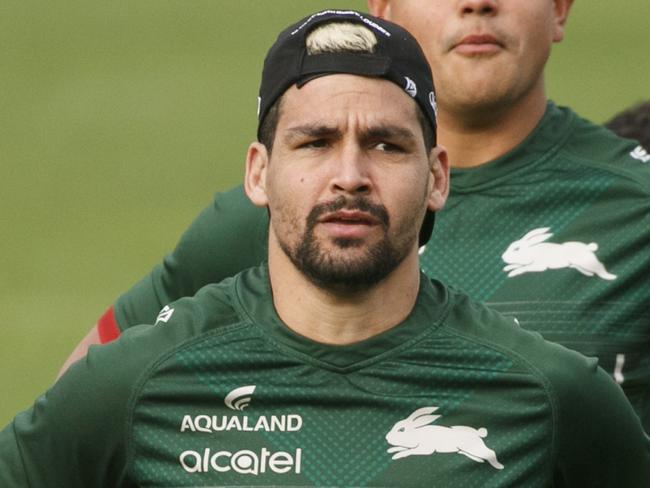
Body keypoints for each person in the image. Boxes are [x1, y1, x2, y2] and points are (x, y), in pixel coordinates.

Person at [3, 11, 649, 486]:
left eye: (386, 145)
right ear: (258, 173)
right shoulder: (143, 380)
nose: (349, 176)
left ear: (436, 178)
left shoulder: (555, 393)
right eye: (314, 143)